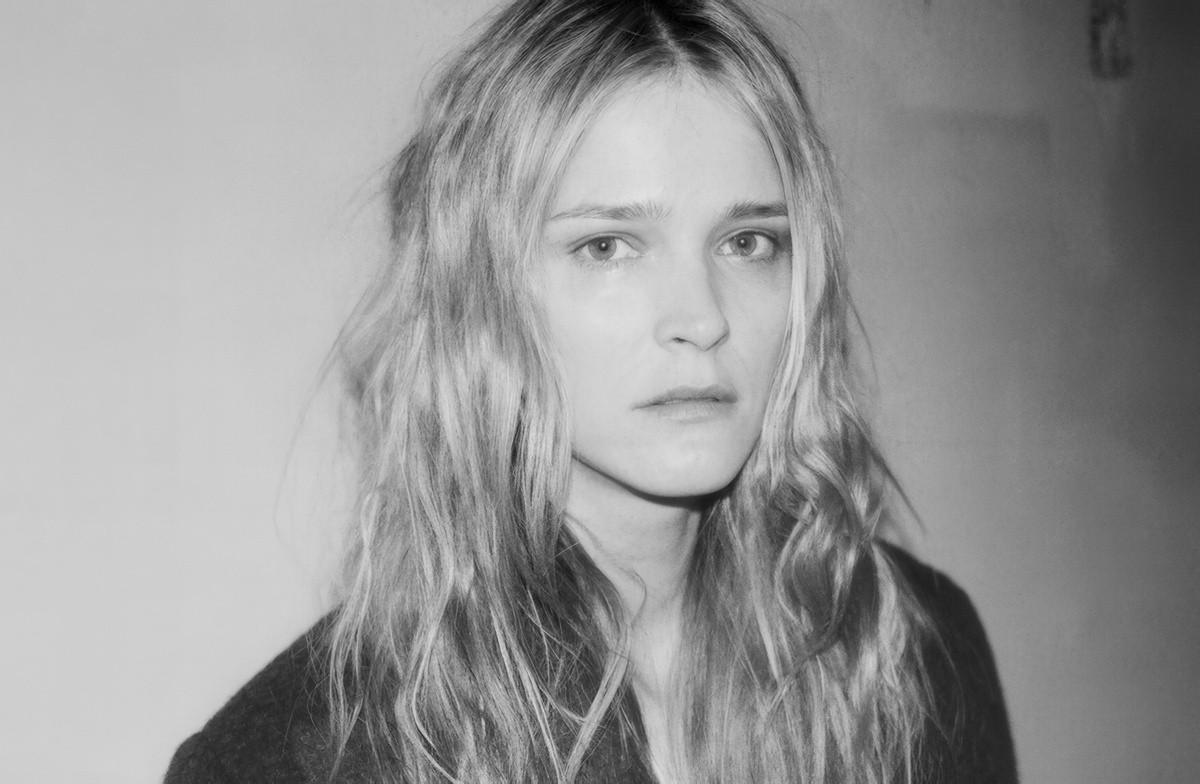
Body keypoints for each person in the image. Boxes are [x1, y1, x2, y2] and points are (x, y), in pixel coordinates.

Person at [166, 0, 1017, 782]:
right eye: (608, 247)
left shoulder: (916, 654)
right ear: (482, 295)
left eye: (748, 242)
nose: (701, 318)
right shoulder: (296, 759)